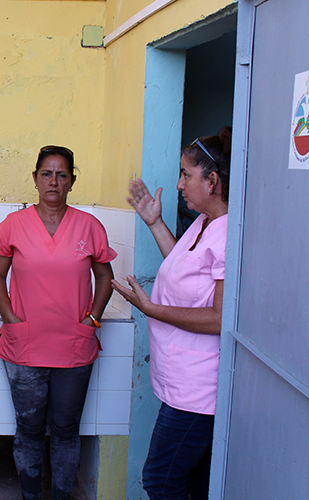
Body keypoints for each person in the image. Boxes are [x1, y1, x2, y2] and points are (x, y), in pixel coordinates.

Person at [0, 145, 116, 500]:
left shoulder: (89, 226)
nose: (54, 181)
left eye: (62, 174)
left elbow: (105, 277)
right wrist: (10, 318)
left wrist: (92, 318)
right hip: (24, 342)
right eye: (47, 173)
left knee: (65, 429)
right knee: (28, 428)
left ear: (73, 180)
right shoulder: (13, 225)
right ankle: (31, 495)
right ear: (35, 179)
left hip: (74, 344)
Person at [111, 127, 231, 500]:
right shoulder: (204, 222)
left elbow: (220, 318)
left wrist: (151, 309)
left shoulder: (230, 235)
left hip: (200, 391)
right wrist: (154, 222)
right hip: (181, 381)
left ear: (211, 181)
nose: (179, 184)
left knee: (161, 479)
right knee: (192, 482)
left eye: (185, 174)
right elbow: (185, 269)